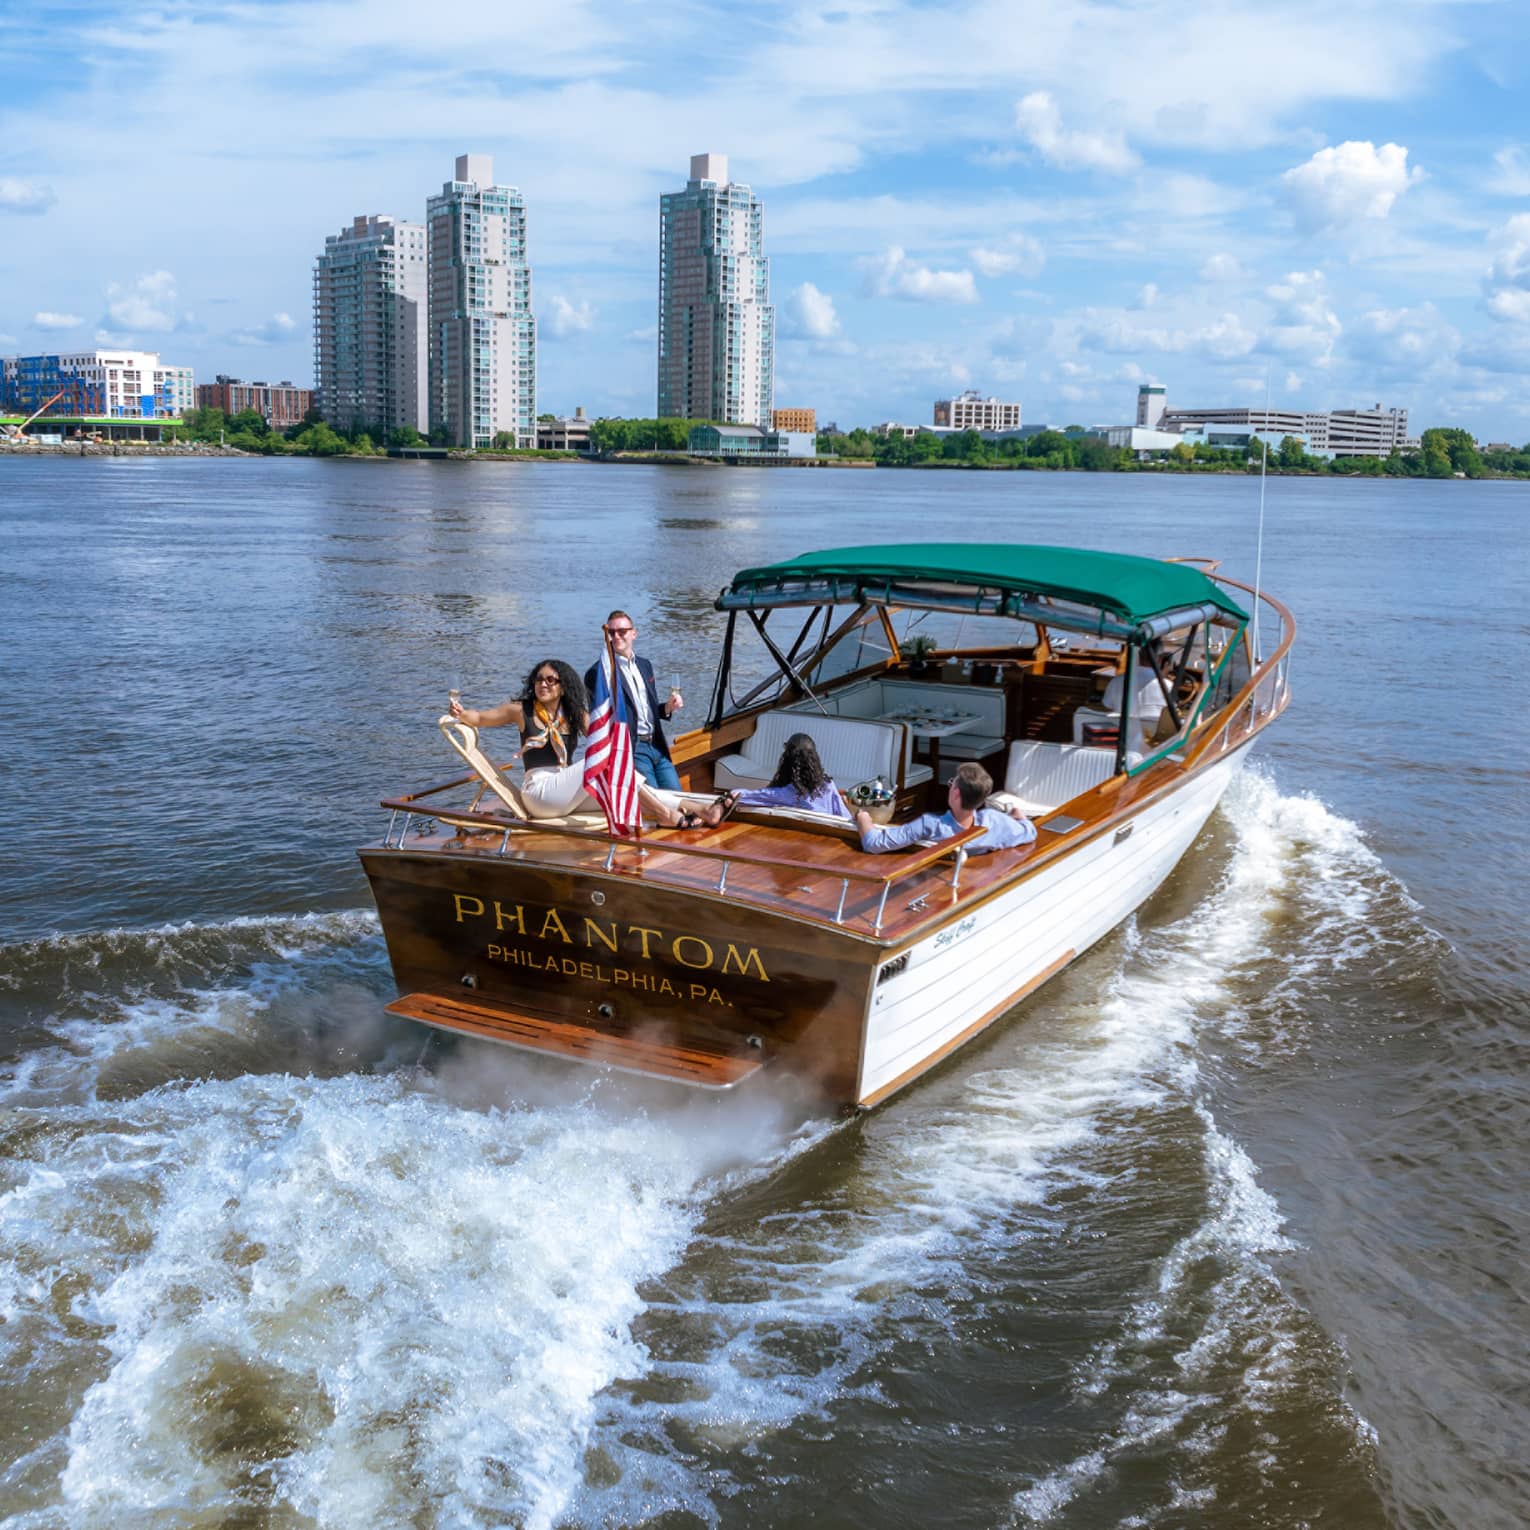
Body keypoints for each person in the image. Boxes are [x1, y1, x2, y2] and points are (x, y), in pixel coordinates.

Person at [450, 660, 701, 826]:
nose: (543, 684)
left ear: (563, 686)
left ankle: (697, 807)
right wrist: (460, 713)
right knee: (599, 761)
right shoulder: (521, 710)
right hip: (540, 794)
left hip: (566, 792)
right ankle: (666, 815)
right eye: (539, 679)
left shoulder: (574, 714)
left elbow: (605, 734)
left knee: (623, 788)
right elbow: (481, 717)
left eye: (551, 680)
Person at [584, 610, 682, 792]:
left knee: (677, 795)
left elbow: (647, 709)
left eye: (622, 631)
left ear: (633, 633)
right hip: (632, 748)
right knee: (657, 803)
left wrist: (668, 708)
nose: (616, 636)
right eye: (611, 633)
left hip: (658, 745)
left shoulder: (645, 665)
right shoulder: (598, 673)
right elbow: (598, 721)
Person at [855, 762, 1035, 854]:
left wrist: (863, 817)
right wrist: (1018, 816)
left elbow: (874, 844)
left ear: (956, 793)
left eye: (951, 783)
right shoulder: (994, 822)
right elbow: (1030, 832)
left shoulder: (931, 825)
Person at [708, 732, 851, 823]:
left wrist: (727, 797)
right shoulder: (828, 785)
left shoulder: (786, 794)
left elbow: (745, 796)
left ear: (787, 762)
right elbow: (844, 816)